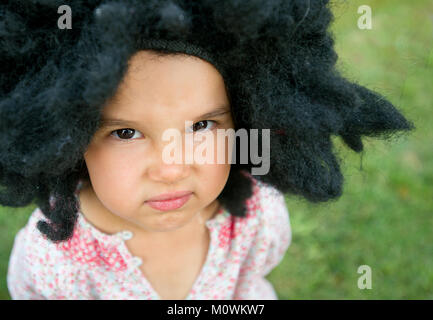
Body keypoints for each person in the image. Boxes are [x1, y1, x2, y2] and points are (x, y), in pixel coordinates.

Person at [0, 0, 413, 300]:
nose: (171, 167)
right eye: (126, 133)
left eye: (202, 125)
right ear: (66, 139)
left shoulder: (254, 218)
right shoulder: (54, 261)